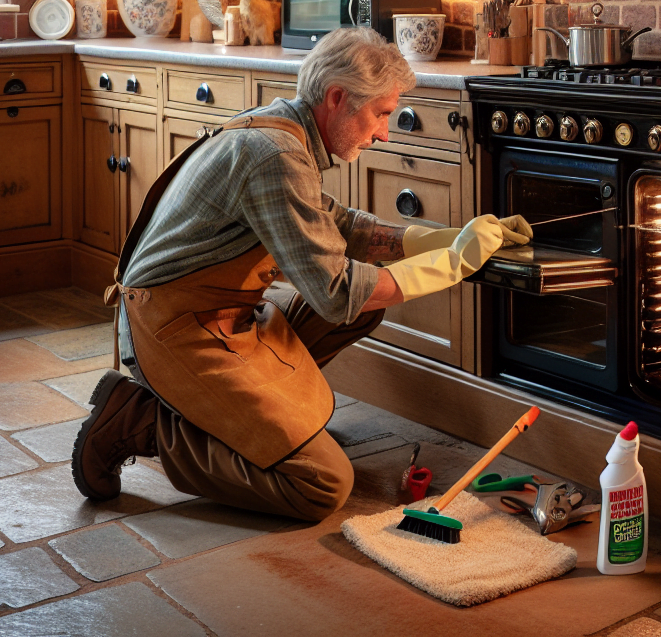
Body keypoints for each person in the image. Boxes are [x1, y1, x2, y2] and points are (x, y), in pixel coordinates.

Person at [72, 27, 532, 521]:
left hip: (216, 313)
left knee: (359, 312)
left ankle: (269, 419)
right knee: (321, 485)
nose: (385, 133)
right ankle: (141, 424)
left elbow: (338, 224)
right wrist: (454, 261)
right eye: (380, 114)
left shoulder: (282, 126)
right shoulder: (275, 154)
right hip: (171, 330)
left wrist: (444, 235)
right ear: (338, 98)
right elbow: (335, 292)